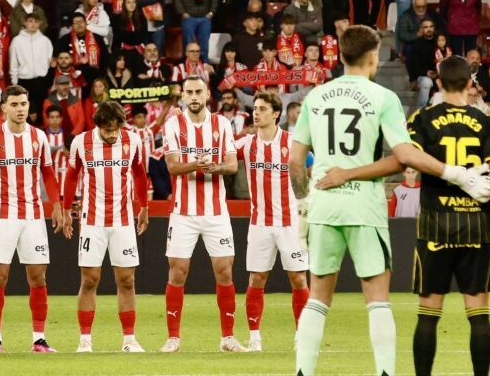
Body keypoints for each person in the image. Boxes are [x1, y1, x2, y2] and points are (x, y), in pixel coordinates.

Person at [297, 24, 490, 376]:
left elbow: (293, 158)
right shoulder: (383, 97)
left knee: (317, 299)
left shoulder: (314, 97)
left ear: (339, 56)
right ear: (374, 57)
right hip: (366, 210)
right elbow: (405, 154)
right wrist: (456, 173)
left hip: (323, 206)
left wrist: (304, 199)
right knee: (378, 300)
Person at [404, 57, 490, 376]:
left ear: (439, 82)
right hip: (476, 224)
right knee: (478, 311)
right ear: (471, 83)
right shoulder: (486, 121)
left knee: (428, 311)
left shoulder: (423, 119)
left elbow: (410, 162)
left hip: (435, 222)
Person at [0, 84, 60, 353]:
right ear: (4, 107)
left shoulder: (39, 137)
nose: (21, 109)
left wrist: (56, 204)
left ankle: (39, 338)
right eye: (15, 105)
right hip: (3, 216)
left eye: (24, 104)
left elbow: (48, 174)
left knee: (38, 277)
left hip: (33, 216)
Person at [59, 97, 150, 353]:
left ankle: (129, 340)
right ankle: (85, 340)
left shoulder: (132, 140)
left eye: (115, 129)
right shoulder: (82, 142)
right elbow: (71, 177)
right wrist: (66, 210)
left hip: (123, 222)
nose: (112, 134)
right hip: (92, 222)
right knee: (90, 280)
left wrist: (143, 207)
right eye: (107, 129)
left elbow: (140, 174)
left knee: (127, 280)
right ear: (98, 124)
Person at [160, 75, 241, 353]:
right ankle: (173, 338)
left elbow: (231, 165)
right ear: (183, 95)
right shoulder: (173, 124)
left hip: (216, 212)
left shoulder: (221, 124)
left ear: (208, 94)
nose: (194, 97)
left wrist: (214, 168)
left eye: (198, 92)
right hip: (183, 212)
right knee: (178, 272)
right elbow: (171, 166)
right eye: (189, 92)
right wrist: (197, 163)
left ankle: (228, 337)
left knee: (224, 271)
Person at [235, 91, 309, 355]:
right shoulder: (245, 144)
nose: (256, 113)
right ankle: (254, 339)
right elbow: (223, 158)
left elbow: (311, 170)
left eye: (262, 109)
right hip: (260, 224)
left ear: (276, 113)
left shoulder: (293, 143)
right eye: (255, 108)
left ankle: (303, 337)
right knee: (257, 278)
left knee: (298, 279)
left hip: (290, 223)